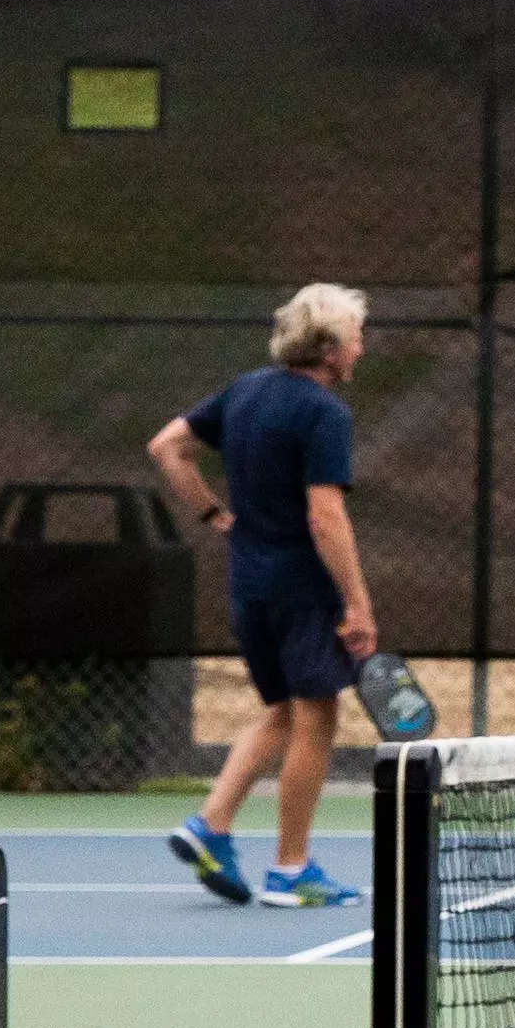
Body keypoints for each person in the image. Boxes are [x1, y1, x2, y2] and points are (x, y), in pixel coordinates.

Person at [151, 283, 382, 907]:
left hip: (248, 584)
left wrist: (211, 515)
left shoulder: (245, 390)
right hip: (302, 591)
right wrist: (357, 603)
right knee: (317, 718)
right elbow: (326, 517)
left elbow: (166, 448)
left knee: (279, 710)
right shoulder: (324, 413)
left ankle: (210, 825)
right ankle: (290, 869)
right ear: (331, 348)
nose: (362, 348)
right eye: (357, 336)